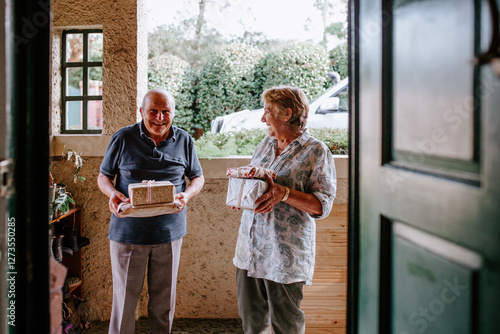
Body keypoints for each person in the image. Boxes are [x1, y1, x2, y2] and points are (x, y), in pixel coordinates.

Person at [97, 89, 205, 334]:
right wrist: (112, 193)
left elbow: (197, 177)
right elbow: (104, 176)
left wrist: (186, 195)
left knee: (163, 304)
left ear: (173, 113)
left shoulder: (184, 140)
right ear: (141, 112)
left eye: (165, 112)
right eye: (153, 111)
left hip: (169, 233)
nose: (159, 117)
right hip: (128, 233)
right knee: (124, 302)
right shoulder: (123, 138)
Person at [233, 86, 336, 334]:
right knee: (252, 324)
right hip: (250, 250)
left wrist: (284, 193)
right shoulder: (266, 144)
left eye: (268, 111)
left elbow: (322, 205)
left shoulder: (316, 151)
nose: (262, 118)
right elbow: (257, 182)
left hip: (284, 255)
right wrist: (242, 191)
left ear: (287, 114)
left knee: (286, 326)